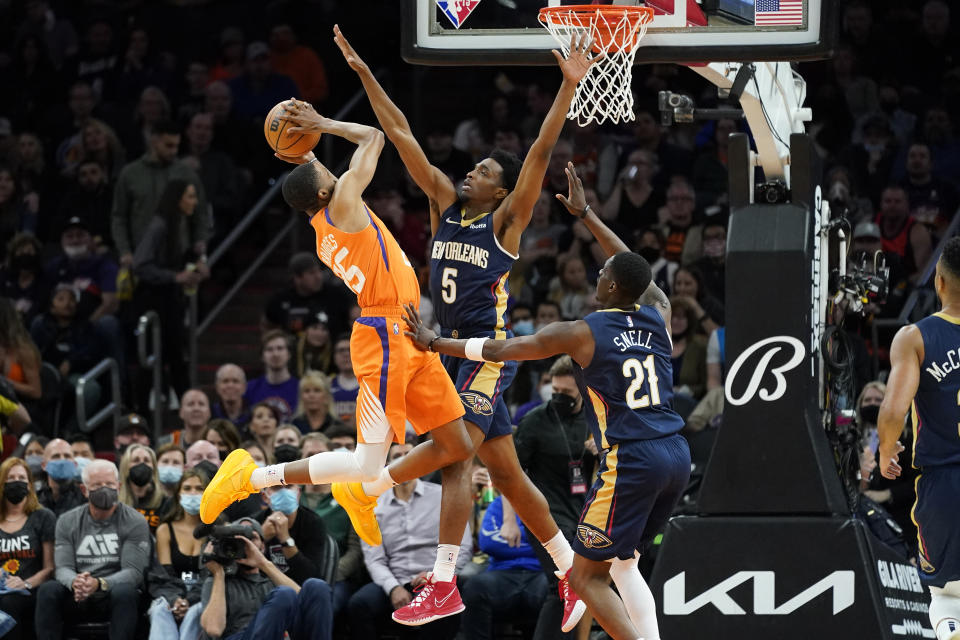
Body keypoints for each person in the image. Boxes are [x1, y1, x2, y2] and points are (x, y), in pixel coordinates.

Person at [333, 24, 598, 628]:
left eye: (481, 170)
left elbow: (536, 155)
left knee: (457, 460)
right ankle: (570, 572)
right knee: (505, 472)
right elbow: (399, 134)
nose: (469, 172)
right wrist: (366, 74)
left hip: (483, 354)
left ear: (500, 190)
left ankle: (443, 578)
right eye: (472, 168)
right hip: (441, 352)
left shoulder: (505, 222)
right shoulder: (441, 204)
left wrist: (567, 91)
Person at [201, 93, 480, 626]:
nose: (332, 170)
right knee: (365, 461)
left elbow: (318, 172)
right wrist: (324, 123)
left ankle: (367, 487)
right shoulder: (345, 205)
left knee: (456, 445)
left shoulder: (326, 210)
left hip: (409, 333)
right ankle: (251, 477)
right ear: (328, 189)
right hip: (382, 336)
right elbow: (373, 139)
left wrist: (302, 150)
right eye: (327, 171)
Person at [403, 162, 691, 640]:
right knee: (624, 564)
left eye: (603, 273)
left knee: (585, 578)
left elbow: (498, 349)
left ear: (611, 288)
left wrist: (437, 343)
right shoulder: (656, 316)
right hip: (676, 454)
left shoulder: (582, 331)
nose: (598, 274)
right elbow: (638, 273)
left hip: (633, 458)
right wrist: (588, 216)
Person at [878, 236, 960, 640]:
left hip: (944, 483)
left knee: (948, 594)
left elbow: (893, 411)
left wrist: (886, 448)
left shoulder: (915, 337)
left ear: (939, 283)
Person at [347, 441, 472, 640]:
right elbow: (374, 559)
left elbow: (462, 546)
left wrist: (436, 576)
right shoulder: (372, 507)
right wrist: (393, 588)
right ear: (386, 465)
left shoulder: (442, 496)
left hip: (434, 578)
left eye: (410, 455)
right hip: (395, 579)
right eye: (397, 457)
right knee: (359, 604)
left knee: (444, 603)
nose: (405, 461)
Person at [35, 459, 151, 640]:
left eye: (110, 484)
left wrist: (99, 583)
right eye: (97, 485)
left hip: (113, 594)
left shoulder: (135, 521)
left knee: (126, 592)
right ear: (84, 490)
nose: (105, 489)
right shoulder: (67, 521)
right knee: (48, 590)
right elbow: (62, 568)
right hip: (78, 595)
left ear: (119, 487)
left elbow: (133, 572)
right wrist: (75, 583)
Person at [198, 516, 333, 640]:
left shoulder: (272, 579)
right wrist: (218, 574)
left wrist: (263, 563)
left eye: (252, 537)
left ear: (263, 546)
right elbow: (214, 630)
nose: (246, 544)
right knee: (284, 594)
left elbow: (309, 605)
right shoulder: (218, 580)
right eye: (239, 539)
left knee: (317, 587)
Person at [133, 180, 210, 395]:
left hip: (170, 300)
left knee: (176, 354)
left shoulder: (181, 223)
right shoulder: (159, 225)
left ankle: (182, 401)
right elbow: (140, 264)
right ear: (178, 199)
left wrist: (197, 262)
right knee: (162, 356)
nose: (194, 202)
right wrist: (175, 276)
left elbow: (181, 256)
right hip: (153, 300)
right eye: (190, 196)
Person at [461, 494, 548, 640]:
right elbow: (488, 542)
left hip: (541, 572)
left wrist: (515, 540)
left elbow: (563, 543)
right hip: (502, 572)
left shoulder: (548, 502)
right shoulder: (498, 503)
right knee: (474, 587)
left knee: (562, 589)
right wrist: (536, 543)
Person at [148, 468, 207, 640]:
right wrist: (177, 600)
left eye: (199, 488)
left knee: (196, 611)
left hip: (203, 594)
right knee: (160, 609)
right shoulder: (165, 530)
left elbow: (212, 575)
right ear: (178, 494)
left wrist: (190, 600)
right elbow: (162, 575)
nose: (193, 493)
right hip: (171, 593)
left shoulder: (216, 530)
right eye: (187, 488)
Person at [0, 457, 55, 640]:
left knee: (8, 602)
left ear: (30, 485)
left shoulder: (43, 517)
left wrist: (25, 583)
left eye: (22, 478)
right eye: (10, 478)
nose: (17, 482)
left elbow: (49, 567)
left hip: (31, 588)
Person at [244, 331, 299, 422]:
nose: (275, 354)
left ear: (289, 354)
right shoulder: (250, 388)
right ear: (262, 356)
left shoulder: (300, 388)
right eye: (269, 349)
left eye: (280, 348)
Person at [118, 443, 168, 532]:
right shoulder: (117, 502)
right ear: (126, 466)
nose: (142, 464)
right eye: (136, 460)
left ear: (153, 467)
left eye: (146, 460)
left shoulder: (165, 502)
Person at [37, 438, 85, 517]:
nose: (62, 460)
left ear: (75, 465)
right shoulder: (34, 501)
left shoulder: (86, 499)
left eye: (67, 456)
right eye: (56, 456)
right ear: (44, 465)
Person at [291, 370, 344, 434]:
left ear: (326, 396)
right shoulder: (294, 426)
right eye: (307, 391)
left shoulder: (337, 427)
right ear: (301, 396)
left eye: (317, 390)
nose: (311, 395)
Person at [211, 363, 250, 428]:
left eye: (235, 381)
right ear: (217, 387)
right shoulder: (209, 414)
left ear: (244, 387)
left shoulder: (253, 415)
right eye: (225, 381)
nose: (230, 385)